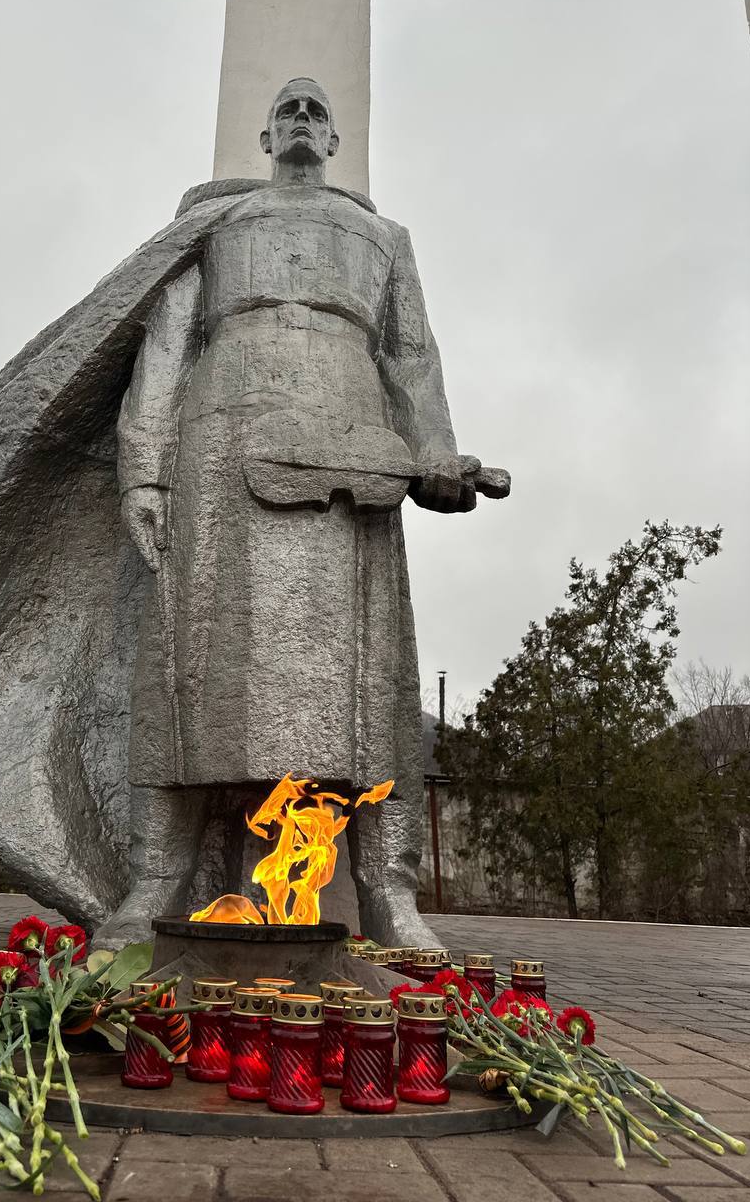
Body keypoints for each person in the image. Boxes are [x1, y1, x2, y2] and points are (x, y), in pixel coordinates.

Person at [96, 78, 507, 948]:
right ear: (264, 131)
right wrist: (144, 472)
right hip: (218, 432)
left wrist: (433, 452)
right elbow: (165, 348)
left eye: (318, 112)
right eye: (288, 108)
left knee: (368, 677)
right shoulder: (214, 225)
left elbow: (412, 358)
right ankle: (152, 884)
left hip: (349, 439)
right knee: (187, 664)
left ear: (333, 140)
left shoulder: (383, 238)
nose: (303, 121)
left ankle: (390, 893)